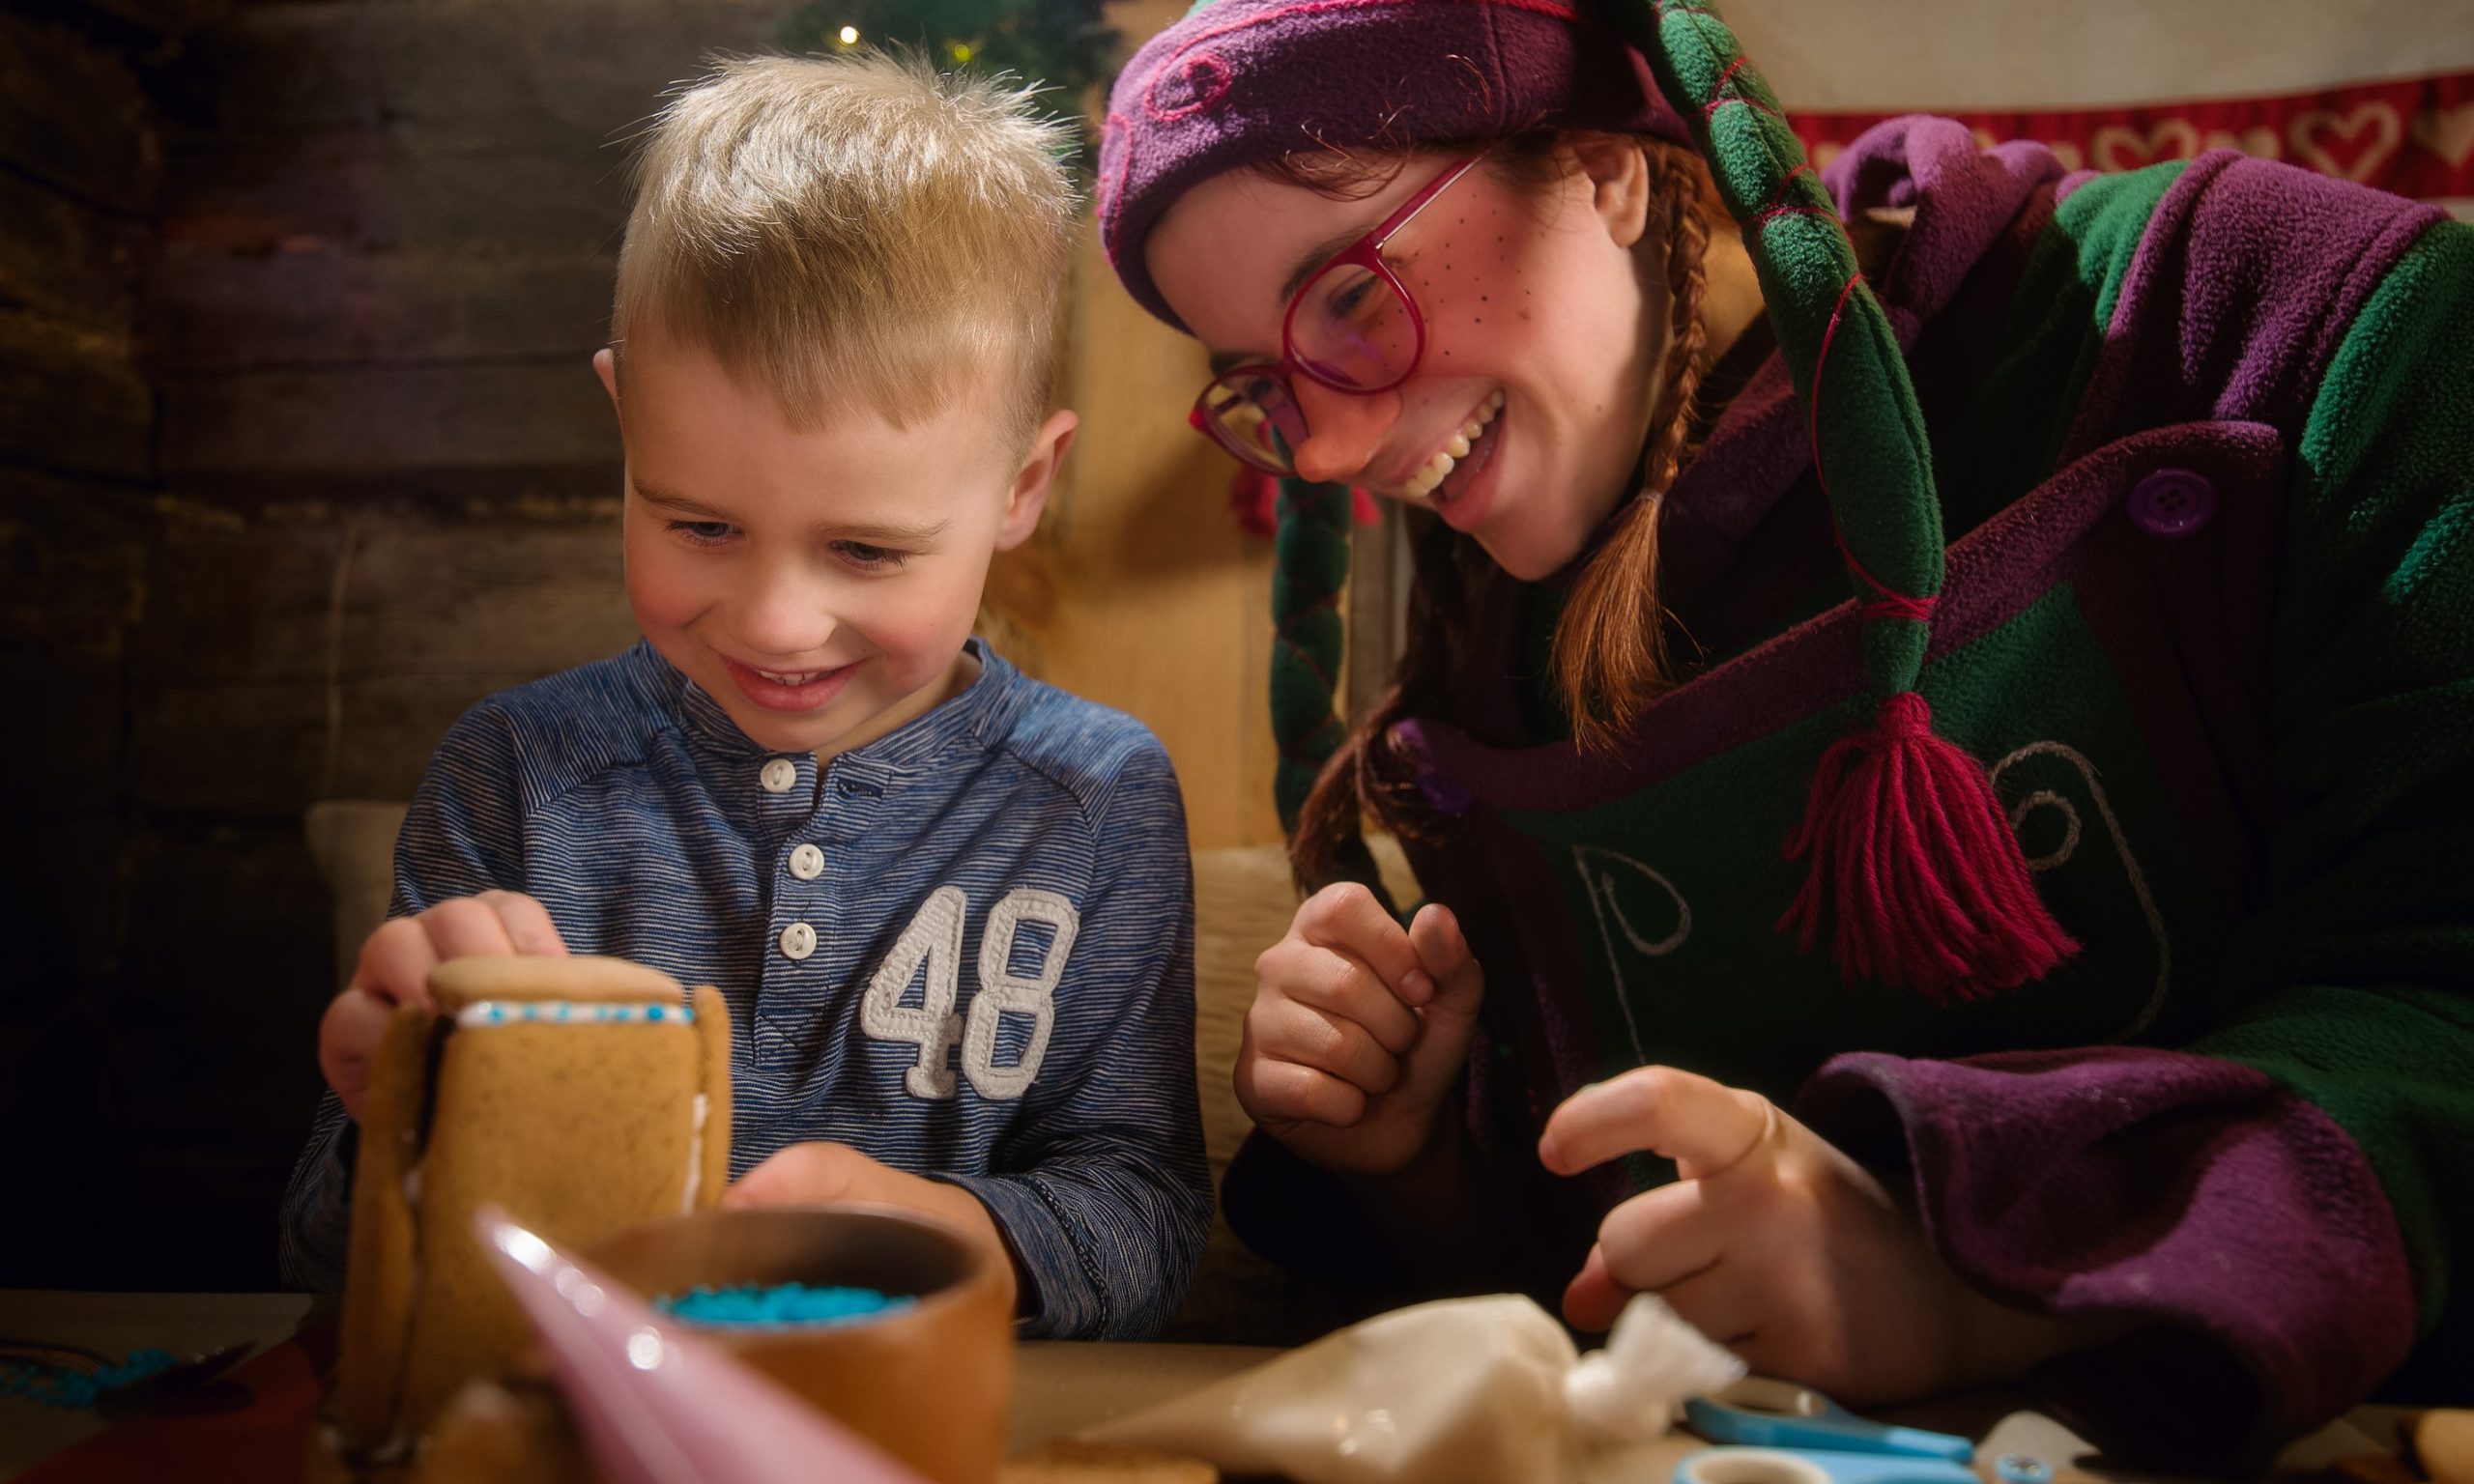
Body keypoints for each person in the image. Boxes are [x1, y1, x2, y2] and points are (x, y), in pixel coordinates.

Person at [1097, 0, 2472, 1465]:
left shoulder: (2284, 314)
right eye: (1262, 385)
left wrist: (1975, 1272)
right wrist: (1422, 1160)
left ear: (1605, 166)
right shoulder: (1492, 656)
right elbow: (1592, 1286)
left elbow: (2440, 993)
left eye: (1352, 300)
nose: (1323, 451)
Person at [278, 51, 1212, 1341]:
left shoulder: (1096, 798)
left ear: (1021, 487)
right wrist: (395, 1126)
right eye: (700, 525)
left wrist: (960, 1239)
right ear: (628, 428)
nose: (775, 624)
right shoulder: (518, 772)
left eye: (868, 551)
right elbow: (326, 1257)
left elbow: (1146, 1215)